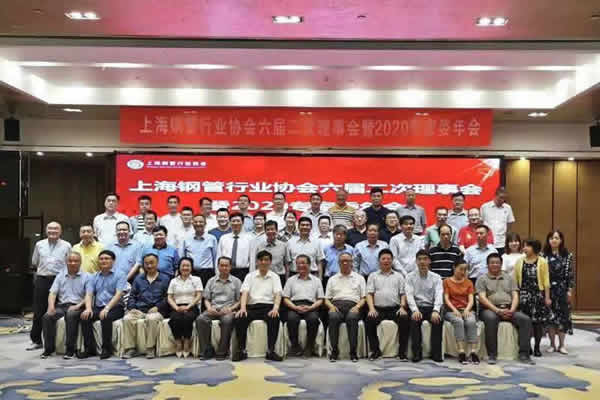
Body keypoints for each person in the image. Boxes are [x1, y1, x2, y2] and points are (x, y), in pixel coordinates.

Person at [477, 253, 534, 364]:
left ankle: (524, 354)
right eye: (492, 263)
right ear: (487, 265)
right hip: (490, 309)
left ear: (501, 264)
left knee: (525, 320)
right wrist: (497, 310)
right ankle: (492, 355)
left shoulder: (509, 278)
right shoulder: (482, 279)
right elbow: (482, 298)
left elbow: (515, 295)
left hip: (509, 308)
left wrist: (512, 310)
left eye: (497, 263)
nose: (495, 265)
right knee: (491, 319)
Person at [28, 221, 72, 351]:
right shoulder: (39, 244)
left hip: (60, 280)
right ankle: (36, 340)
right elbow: (35, 262)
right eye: (50, 229)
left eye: (56, 229)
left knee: (59, 310)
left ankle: (58, 341)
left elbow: (70, 263)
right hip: (42, 279)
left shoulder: (66, 245)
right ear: (46, 231)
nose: (53, 231)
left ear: (60, 231)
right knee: (39, 310)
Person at [233, 250, 284, 362]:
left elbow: (278, 294)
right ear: (257, 262)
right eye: (261, 260)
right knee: (240, 317)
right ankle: (241, 350)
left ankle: (271, 351)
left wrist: (275, 308)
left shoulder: (275, 276)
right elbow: (245, 293)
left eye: (266, 260)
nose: (263, 262)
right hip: (252, 307)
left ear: (270, 262)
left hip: (268, 306)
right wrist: (242, 308)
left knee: (274, 317)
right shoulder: (250, 276)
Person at [79, 250, 127, 359]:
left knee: (106, 317)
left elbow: (118, 294)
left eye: (107, 258)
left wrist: (107, 308)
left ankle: (106, 349)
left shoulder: (120, 275)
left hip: (116, 307)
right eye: (101, 259)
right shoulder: (94, 276)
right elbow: (89, 294)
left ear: (113, 261)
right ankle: (89, 349)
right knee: (85, 317)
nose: (103, 261)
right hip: (99, 307)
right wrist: (88, 308)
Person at [41, 251, 89, 359]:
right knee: (47, 317)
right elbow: (53, 293)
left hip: (78, 306)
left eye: (76, 261)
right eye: (70, 261)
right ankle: (48, 349)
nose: (73, 263)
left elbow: (89, 295)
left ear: (80, 262)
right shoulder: (60, 276)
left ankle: (70, 350)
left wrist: (78, 306)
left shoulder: (87, 276)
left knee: (70, 315)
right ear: (66, 262)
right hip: (62, 306)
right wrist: (51, 307)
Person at [122, 253, 170, 359]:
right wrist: (132, 308)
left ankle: (150, 348)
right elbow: (132, 296)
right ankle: (130, 349)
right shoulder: (138, 279)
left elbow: (168, 298)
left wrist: (158, 307)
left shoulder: (165, 279)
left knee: (152, 319)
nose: (149, 266)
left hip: (157, 310)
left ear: (157, 263)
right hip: (140, 309)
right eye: (146, 263)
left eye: (152, 263)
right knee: (127, 319)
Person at [365, 249, 410, 361]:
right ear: (379, 261)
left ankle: (402, 352)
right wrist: (371, 308)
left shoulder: (399, 276)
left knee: (405, 318)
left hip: (395, 308)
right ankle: (375, 351)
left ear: (392, 260)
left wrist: (402, 307)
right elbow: (369, 294)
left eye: (389, 259)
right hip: (378, 308)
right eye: (383, 258)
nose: (386, 261)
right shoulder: (373, 276)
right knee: (369, 319)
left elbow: (403, 294)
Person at [196, 256, 241, 360]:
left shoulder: (236, 281)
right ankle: (206, 350)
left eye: (226, 266)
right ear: (218, 266)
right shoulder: (211, 281)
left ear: (230, 267)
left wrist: (231, 309)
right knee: (200, 319)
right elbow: (206, 298)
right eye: (222, 265)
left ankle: (222, 351)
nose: (224, 268)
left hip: (228, 310)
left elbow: (239, 300)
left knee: (227, 321)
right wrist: (209, 308)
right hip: (213, 309)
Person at [325, 251, 366, 362]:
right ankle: (334, 352)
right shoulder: (332, 279)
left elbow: (364, 297)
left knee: (352, 318)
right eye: (342, 261)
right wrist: (331, 307)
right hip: (336, 306)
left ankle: (353, 352)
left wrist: (357, 307)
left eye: (347, 261)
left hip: (353, 306)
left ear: (352, 262)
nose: (345, 263)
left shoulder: (359, 278)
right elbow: (326, 299)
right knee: (333, 317)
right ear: (338, 263)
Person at [514, 239, 551, 358]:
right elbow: (515, 280)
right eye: (524, 246)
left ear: (534, 248)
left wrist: (547, 297)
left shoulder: (542, 261)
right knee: (526, 323)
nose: (524, 248)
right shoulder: (519, 261)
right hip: (524, 296)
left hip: (537, 296)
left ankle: (537, 347)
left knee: (537, 324)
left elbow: (546, 281)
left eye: (527, 246)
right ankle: (527, 346)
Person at [405, 250, 444, 363]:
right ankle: (417, 354)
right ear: (416, 261)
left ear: (429, 261)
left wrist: (436, 310)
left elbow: (439, 295)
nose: (422, 262)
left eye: (425, 259)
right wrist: (414, 310)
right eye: (419, 259)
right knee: (414, 320)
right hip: (417, 307)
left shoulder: (436, 277)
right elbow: (409, 295)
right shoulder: (410, 277)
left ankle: (436, 354)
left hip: (431, 307)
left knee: (437, 320)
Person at [283, 254, 325, 358]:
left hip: (311, 306)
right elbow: (286, 298)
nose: (300, 265)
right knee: (291, 319)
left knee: (313, 319)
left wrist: (311, 308)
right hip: (294, 305)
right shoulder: (290, 280)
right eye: (298, 263)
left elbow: (320, 299)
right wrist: (295, 307)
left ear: (309, 265)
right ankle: (295, 346)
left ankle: (309, 347)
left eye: (303, 263)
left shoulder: (316, 280)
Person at [543, 230, 575, 354]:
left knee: (563, 318)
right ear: (548, 240)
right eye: (551, 238)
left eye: (556, 238)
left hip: (562, 290)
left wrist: (569, 291)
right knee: (551, 318)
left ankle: (562, 345)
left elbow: (570, 275)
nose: (554, 240)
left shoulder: (567, 255)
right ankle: (552, 344)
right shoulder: (543, 255)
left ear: (561, 240)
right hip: (548, 290)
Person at [443, 259, 479, 364]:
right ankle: (461, 351)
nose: (463, 272)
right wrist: (454, 310)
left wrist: (467, 309)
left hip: (466, 309)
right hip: (451, 310)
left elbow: (471, 299)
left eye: (465, 269)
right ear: (454, 268)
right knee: (458, 321)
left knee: (471, 321)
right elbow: (446, 298)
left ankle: (473, 352)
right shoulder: (446, 281)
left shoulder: (469, 282)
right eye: (461, 269)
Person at [167, 257, 203, 358]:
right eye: (183, 265)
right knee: (175, 318)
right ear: (179, 267)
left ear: (191, 267)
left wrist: (188, 306)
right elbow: (169, 297)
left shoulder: (196, 279)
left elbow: (199, 295)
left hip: (192, 306)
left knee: (188, 318)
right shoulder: (173, 281)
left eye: (188, 265)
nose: (185, 268)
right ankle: (178, 342)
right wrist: (176, 308)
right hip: (177, 306)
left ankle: (186, 342)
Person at [183, 214, 218, 286]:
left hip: (207, 273)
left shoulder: (212, 238)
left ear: (205, 223)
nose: (198, 224)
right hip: (191, 273)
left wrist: (216, 273)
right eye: (196, 222)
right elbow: (183, 257)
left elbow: (215, 257)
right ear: (192, 224)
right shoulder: (186, 239)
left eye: (201, 222)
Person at [217, 212, 252, 281]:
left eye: (238, 221)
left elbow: (252, 259)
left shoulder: (249, 238)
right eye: (233, 221)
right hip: (225, 271)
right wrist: (218, 273)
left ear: (243, 222)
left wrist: (251, 275)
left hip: (243, 272)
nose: (235, 223)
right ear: (229, 223)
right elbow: (219, 256)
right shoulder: (223, 238)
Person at [480, 186, 515, 255]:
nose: (502, 200)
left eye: (504, 198)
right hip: (487, 242)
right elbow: (481, 223)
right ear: (495, 195)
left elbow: (510, 223)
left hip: (501, 243)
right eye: (501, 197)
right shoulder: (485, 207)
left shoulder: (508, 208)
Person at [253, 220, 289, 286]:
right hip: (263, 278)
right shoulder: (260, 246)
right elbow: (257, 265)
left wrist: (287, 281)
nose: (270, 231)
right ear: (265, 231)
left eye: (272, 229)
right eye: (268, 230)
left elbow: (287, 265)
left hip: (280, 277)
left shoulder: (283, 246)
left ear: (277, 230)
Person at [322, 225, 354, 290]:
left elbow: (353, 266)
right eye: (337, 234)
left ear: (345, 236)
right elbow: (323, 265)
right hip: (329, 279)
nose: (338, 237)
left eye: (341, 235)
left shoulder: (350, 249)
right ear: (333, 235)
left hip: (345, 279)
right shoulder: (326, 249)